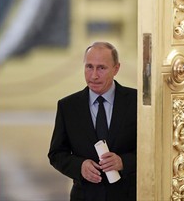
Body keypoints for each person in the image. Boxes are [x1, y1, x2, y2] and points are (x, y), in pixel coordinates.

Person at [48, 41, 137, 201]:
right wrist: (79, 167)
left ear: (116, 69)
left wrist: (123, 162)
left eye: (101, 68)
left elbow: (152, 150)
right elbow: (56, 154)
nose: (94, 75)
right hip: (84, 196)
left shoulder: (136, 102)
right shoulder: (68, 106)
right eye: (89, 67)